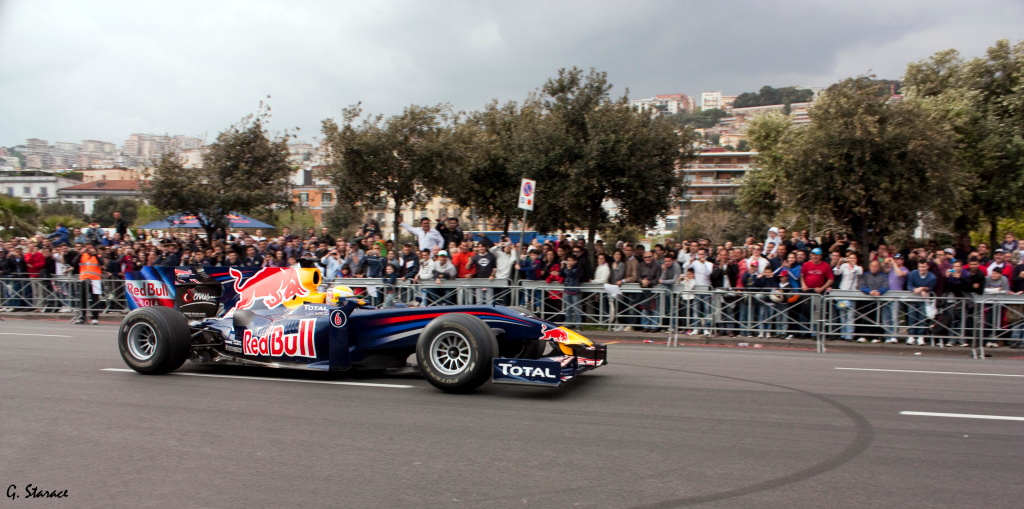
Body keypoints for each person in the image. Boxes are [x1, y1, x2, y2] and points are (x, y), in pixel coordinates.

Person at [906, 260, 938, 345]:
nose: (922, 269)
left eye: (923, 267)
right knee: (911, 316)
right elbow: (909, 285)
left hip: (924, 300)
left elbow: (931, 287)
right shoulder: (912, 274)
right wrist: (914, 289)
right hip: (913, 298)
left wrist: (923, 288)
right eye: (920, 267)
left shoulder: (932, 277)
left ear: (927, 267)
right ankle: (911, 336)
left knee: (922, 318)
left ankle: (921, 336)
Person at [77, 244, 103, 324]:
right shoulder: (83, 256)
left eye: (90, 247)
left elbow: (101, 263)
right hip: (85, 279)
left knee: (95, 299)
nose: (89, 249)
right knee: (83, 298)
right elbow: (74, 262)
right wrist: (80, 253)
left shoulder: (97, 256)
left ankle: (95, 317)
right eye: (87, 247)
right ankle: (82, 316)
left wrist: (95, 255)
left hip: (95, 280)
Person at [560, 255, 583, 325]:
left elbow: (572, 275)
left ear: (575, 261)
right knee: (567, 308)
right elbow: (561, 274)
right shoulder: (566, 267)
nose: (569, 262)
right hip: (567, 289)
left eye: (571, 260)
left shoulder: (578, 268)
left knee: (576, 308)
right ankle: (568, 323)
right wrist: (562, 266)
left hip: (575, 290)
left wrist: (569, 269)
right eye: (568, 260)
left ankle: (578, 324)